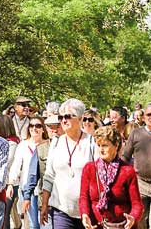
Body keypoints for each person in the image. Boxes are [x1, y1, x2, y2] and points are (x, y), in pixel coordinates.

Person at [40, 98, 98, 229]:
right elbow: (49, 176)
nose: (63, 120)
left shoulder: (91, 143)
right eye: (61, 117)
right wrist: (44, 205)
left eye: (68, 116)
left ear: (80, 118)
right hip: (61, 210)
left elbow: (99, 176)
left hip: (88, 210)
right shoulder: (56, 142)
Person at [79, 126, 142, 229]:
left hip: (122, 225)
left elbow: (137, 203)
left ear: (116, 146)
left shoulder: (127, 171)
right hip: (96, 225)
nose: (101, 149)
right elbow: (83, 197)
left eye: (105, 145)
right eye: (98, 145)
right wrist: (84, 214)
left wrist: (133, 217)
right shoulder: (89, 168)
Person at [12, 115, 49, 229]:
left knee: (45, 224)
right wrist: (10, 183)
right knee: (33, 224)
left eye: (38, 126)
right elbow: (16, 165)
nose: (34, 128)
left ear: (43, 128)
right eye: (31, 126)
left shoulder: (48, 145)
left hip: (44, 190)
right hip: (27, 189)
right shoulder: (23, 145)